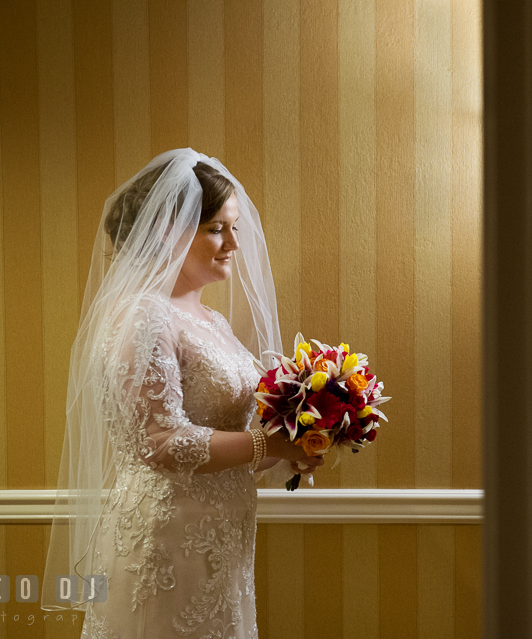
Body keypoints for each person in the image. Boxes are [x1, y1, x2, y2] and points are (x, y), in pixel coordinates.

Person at [41, 149, 324, 637]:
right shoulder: (145, 316)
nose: (234, 243)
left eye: (234, 227)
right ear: (165, 233)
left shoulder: (210, 320)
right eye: (217, 228)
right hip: (167, 541)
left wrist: (294, 444)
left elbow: (224, 441)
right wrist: (269, 444)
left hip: (220, 540)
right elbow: (161, 442)